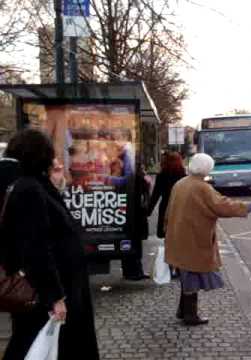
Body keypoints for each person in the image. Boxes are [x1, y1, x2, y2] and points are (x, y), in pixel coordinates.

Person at [1, 129, 99, 360]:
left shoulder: (31, 185)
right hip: (49, 293)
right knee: (38, 347)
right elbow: (36, 249)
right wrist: (55, 297)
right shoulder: (30, 188)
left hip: (55, 288)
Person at [164, 153, 251, 326]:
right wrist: (249, 207)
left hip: (178, 236)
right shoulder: (201, 187)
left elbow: (168, 210)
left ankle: (183, 311)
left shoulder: (180, 183)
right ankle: (190, 315)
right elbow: (222, 205)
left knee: (186, 274)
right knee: (191, 276)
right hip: (193, 237)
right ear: (206, 168)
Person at [121, 163, 151, 281]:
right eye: (143, 168)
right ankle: (136, 271)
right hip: (136, 217)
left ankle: (128, 271)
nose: (144, 170)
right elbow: (144, 198)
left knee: (128, 244)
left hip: (127, 216)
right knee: (136, 245)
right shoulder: (138, 180)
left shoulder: (126, 178)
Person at [147, 151, 186, 239]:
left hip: (166, 207)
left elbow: (155, 195)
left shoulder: (162, 176)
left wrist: (148, 211)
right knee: (180, 235)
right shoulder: (184, 176)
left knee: (167, 234)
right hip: (181, 208)